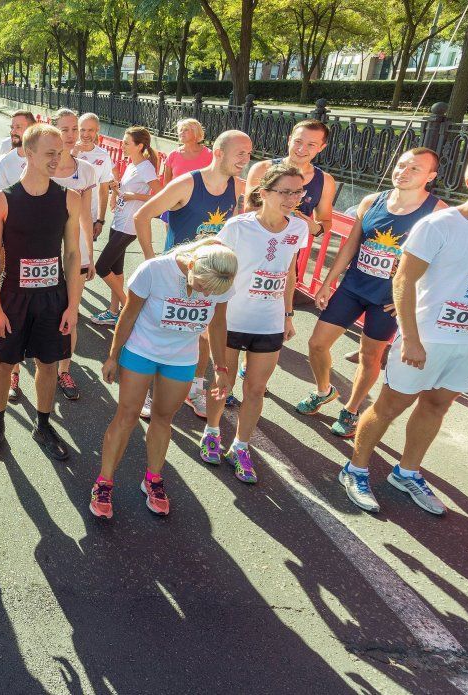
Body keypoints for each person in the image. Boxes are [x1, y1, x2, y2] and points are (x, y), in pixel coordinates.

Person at [340, 150, 468, 515]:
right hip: (426, 338)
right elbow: (403, 281)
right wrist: (410, 338)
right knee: (390, 406)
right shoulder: (438, 225)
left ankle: (406, 472)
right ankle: (355, 469)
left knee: (436, 406)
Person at [298, 148, 445, 437]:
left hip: (388, 300)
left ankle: (351, 409)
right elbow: (350, 246)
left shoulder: (438, 212)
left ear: (430, 176)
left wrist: (411, 299)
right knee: (317, 344)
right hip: (353, 287)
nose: (403, 172)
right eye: (401, 165)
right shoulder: (371, 201)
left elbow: (441, 264)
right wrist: (328, 283)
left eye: (415, 169)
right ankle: (324, 391)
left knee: (369, 356)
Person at [91, 239, 237, 519]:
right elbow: (129, 313)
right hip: (141, 350)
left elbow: (218, 323)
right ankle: (104, 483)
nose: (206, 294)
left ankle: (153, 479)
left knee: (162, 418)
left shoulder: (221, 278)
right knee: (127, 416)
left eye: (212, 292)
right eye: (202, 286)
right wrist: (113, 356)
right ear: (191, 266)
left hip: (181, 358)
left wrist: (221, 368)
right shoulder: (154, 270)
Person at [199, 163, 310, 483]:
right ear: (264, 193)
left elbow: (290, 274)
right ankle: (211, 432)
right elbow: (214, 265)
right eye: (285, 192)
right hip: (232, 318)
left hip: (269, 322)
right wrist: (209, 311)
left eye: (298, 192)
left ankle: (241, 446)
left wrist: (288, 315)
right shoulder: (238, 227)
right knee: (223, 382)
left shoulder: (298, 229)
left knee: (256, 388)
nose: (293, 199)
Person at [0, 123, 83, 462]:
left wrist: (73, 305)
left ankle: (43, 424)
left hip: (53, 297)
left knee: (48, 364)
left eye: (60, 153)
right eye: (50, 153)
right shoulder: (0, 201)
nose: (57, 159)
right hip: (13, 297)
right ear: (27, 152)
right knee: (4, 364)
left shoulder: (69, 198)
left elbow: (72, 254)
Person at [133, 130, 251, 416]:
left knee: (204, 332)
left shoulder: (239, 187)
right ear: (219, 153)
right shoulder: (187, 183)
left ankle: (195, 388)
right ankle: (145, 390)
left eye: (249, 154)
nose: (245, 159)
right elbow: (142, 215)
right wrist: (151, 260)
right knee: (160, 330)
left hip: (210, 276)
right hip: (175, 273)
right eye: (240, 153)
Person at [46, 107, 100, 401]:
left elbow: (86, 218)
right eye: (64, 129)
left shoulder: (86, 170)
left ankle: (64, 369)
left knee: (71, 313)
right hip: (43, 255)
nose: (70, 135)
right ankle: (17, 371)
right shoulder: (41, 166)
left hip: (75, 254)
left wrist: (89, 256)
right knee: (37, 313)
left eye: (74, 129)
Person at [92, 126, 161, 326]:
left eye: (126, 143)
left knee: (101, 267)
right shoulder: (132, 164)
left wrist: (135, 196)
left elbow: (160, 194)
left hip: (129, 226)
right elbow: (127, 191)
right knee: (116, 270)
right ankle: (114, 312)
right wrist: (116, 190)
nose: (122, 145)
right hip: (118, 222)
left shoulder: (146, 167)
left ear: (139, 146)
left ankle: (128, 308)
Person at [245, 119, 335, 239]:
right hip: (254, 241)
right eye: (298, 141)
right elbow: (249, 210)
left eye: (311, 145)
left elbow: (326, 221)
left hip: (290, 247)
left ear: (321, 147)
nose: (302, 149)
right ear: (289, 140)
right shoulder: (262, 169)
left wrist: (315, 228)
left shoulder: (325, 181)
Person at [72, 112, 117, 244]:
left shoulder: (103, 156)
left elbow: (103, 190)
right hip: (66, 214)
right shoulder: (67, 150)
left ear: (97, 130)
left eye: (90, 130)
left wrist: (100, 220)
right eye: (82, 130)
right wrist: (74, 153)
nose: (86, 134)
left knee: (85, 254)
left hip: (89, 216)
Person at [0, 110, 36, 195]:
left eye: (18, 127)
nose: (12, 132)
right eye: (12, 127)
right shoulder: (5, 161)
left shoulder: (46, 158)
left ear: (32, 129)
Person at [160, 118, 212, 189]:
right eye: (180, 130)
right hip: (177, 195)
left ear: (196, 132)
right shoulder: (173, 155)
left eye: (186, 130)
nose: (182, 132)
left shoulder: (209, 154)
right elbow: (166, 184)